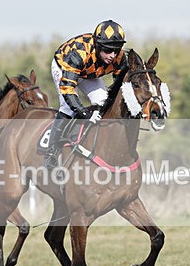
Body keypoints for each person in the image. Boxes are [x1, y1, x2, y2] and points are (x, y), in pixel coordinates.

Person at [43, 19, 128, 169]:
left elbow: (121, 89)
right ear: (98, 45)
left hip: (89, 74)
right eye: (108, 50)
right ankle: (51, 151)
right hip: (65, 68)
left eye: (116, 49)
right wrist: (84, 113)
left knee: (103, 102)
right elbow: (68, 88)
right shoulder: (79, 53)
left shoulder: (120, 58)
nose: (112, 55)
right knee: (68, 107)